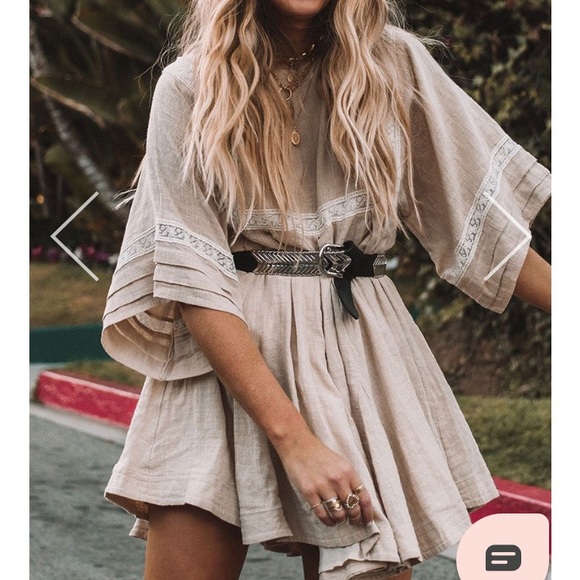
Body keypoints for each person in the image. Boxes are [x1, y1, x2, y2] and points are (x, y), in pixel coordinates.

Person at [100, 0, 551, 578]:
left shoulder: (392, 64)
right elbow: (194, 281)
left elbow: (478, 224)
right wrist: (295, 441)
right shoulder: (190, 84)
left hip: (357, 352)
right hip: (224, 360)